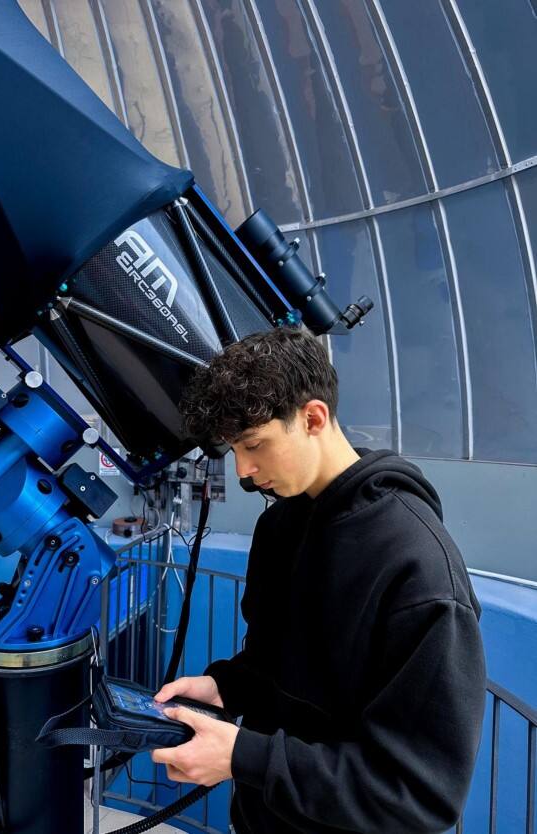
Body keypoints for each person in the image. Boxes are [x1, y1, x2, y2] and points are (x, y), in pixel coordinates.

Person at [151, 326, 486, 834]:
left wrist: (246, 756)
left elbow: (420, 795)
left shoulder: (419, 568)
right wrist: (228, 686)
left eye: (254, 445)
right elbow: (276, 664)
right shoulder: (279, 525)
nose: (243, 471)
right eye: (234, 449)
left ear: (313, 417)